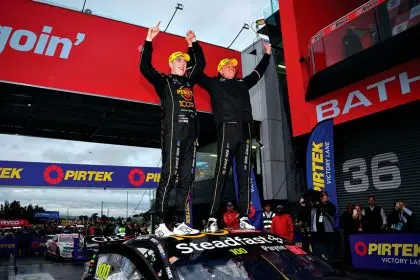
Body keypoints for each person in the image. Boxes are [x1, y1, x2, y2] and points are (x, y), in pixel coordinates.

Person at [194, 41, 272, 232]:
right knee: (220, 175)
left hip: (246, 132)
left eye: (233, 66)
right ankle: (212, 218)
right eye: (227, 66)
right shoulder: (213, 84)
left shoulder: (242, 83)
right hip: (227, 132)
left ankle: (244, 216)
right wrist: (193, 45)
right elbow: (196, 74)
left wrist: (268, 54)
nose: (231, 68)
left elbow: (258, 73)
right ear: (221, 70)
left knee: (244, 175)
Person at [140, 22, 204, 237]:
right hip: (173, 134)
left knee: (187, 178)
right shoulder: (164, 81)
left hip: (191, 137)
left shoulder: (188, 81)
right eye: (178, 60)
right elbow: (145, 68)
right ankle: (160, 223)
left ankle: (178, 222)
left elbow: (201, 63)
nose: (182, 64)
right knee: (169, 176)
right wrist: (149, 40)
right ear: (170, 64)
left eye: (184, 61)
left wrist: (193, 44)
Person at [311, 191, 336, 266]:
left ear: (328, 197)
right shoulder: (315, 208)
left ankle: (329, 265)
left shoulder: (331, 206)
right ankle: (320, 266)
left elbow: (331, 212)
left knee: (328, 251)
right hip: (317, 233)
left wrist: (322, 205)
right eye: (321, 196)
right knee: (318, 252)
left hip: (328, 232)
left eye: (324, 195)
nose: (322, 197)